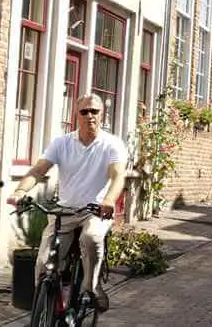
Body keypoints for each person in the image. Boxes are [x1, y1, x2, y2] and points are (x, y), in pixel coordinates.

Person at [7, 93, 127, 312]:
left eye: (94, 111)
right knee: (44, 263)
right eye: (84, 111)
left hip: (94, 211)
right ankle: (47, 307)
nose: (89, 115)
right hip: (65, 211)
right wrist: (20, 190)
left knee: (91, 238)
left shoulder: (111, 144)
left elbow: (117, 175)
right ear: (77, 115)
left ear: (102, 114)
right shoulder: (62, 143)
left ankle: (90, 287)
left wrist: (109, 199)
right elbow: (39, 169)